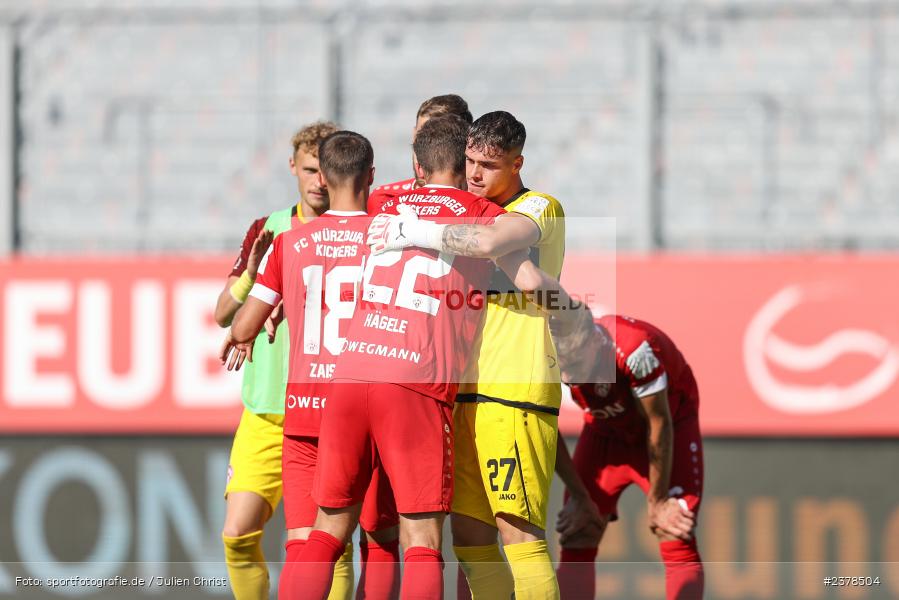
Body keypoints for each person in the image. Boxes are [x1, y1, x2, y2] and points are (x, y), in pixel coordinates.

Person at [369, 110, 566, 599]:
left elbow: (492, 240)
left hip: (513, 386)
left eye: (489, 166)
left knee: (518, 532)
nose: (476, 175)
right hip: (465, 388)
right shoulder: (466, 206)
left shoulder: (539, 207)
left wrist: (411, 232)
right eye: (470, 162)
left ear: (518, 164)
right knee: (472, 537)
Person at [221, 130, 403, 600]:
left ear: (324, 174)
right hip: (367, 406)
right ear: (370, 177)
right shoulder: (390, 240)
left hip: (304, 405)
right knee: (379, 539)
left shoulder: (290, 244)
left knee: (308, 543)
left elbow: (239, 328)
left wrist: (276, 306)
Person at [214, 121, 339, 600]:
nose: (318, 182)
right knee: (237, 534)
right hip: (264, 414)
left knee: (325, 544)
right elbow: (223, 313)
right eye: (309, 170)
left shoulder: (351, 230)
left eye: (326, 171)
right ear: (293, 167)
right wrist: (250, 275)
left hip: (326, 412)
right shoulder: (267, 229)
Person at [553, 309, 705, 600]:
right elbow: (544, 426)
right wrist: (580, 496)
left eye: (574, 366)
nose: (567, 378)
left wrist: (659, 499)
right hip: (605, 431)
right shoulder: (544, 352)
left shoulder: (636, 350)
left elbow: (659, 423)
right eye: (562, 368)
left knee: (673, 529)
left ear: (594, 345)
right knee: (578, 530)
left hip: (668, 425)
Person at [367, 94, 473, 214]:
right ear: (413, 134)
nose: (427, 144)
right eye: (421, 135)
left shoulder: (481, 206)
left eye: (441, 139)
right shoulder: (384, 198)